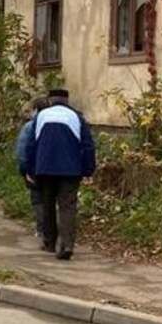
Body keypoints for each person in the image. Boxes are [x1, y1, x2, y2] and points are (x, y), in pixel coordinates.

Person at [20, 88, 95, 261]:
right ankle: (67, 244)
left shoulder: (41, 116)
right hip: (70, 170)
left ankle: (49, 242)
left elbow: (31, 145)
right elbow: (87, 145)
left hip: (45, 168)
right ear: (66, 101)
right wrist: (88, 170)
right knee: (67, 206)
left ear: (50, 100)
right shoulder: (77, 117)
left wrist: (29, 170)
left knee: (48, 205)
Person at [15, 97, 52, 247]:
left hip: (35, 168)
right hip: (53, 168)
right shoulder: (53, 124)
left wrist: (24, 170)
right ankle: (54, 228)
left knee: (38, 199)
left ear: (36, 110)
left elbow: (22, 150)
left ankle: (42, 229)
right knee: (51, 198)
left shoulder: (30, 126)